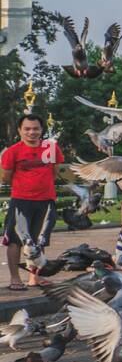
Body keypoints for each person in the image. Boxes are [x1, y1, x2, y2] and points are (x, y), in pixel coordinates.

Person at [2, 115, 64, 290]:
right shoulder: (12, 151)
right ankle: (15, 278)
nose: (32, 132)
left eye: (36, 128)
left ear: (41, 130)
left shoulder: (50, 148)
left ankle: (34, 277)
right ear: (20, 130)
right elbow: (5, 177)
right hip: (21, 201)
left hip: (46, 201)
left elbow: (54, 172)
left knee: (39, 240)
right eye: (27, 129)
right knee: (15, 240)